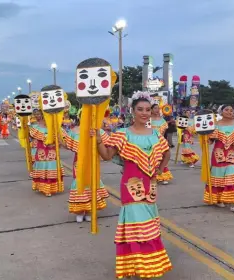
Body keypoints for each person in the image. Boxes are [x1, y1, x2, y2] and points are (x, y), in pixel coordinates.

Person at [92, 92, 172, 279]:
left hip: (150, 185)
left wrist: (159, 170)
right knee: (137, 225)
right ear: (132, 111)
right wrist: (97, 139)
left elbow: (166, 153)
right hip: (131, 185)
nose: (144, 113)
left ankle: (147, 265)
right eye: (140, 110)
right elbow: (106, 155)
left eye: (147, 110)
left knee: (149, 224)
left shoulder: (156, 134)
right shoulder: (122, 134)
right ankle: (141, 266)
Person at [62, 124, 110, 223]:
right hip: (79, 162)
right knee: (80, 183)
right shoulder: (75, 130)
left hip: (93, 162)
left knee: (92, 183)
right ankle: (79, 211)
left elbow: (107, 145)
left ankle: (89, 210)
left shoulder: (98, 130)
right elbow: (68, 145)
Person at [205, 105, 234, 212]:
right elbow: (210, 141)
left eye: (231, 110)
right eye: (226, 110)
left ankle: (233, 203)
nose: (229, 111)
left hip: (231, 154)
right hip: (217, 154)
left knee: (233, 176)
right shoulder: (216, 125)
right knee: (218, 177)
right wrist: (205, 137)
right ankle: (219, 200)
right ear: (221, 112)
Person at [29, 109, 64, 197]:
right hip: (42, 151)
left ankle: (51, 188)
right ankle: (44, 188)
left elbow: (61, 137)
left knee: (51, 168)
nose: (40, 116)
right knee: (43, 168)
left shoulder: (54, 127)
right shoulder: (35, 127)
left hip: (52, 151)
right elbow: (34, 138)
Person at [151, 104, 173, 185]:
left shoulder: (162, 120)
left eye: (158, 108)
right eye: (155, 108)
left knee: (163, 158)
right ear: (151, 109)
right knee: (153, 159)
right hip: (151, 142)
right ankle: (153, 177)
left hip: (160, 142)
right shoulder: (148, 120)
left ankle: (163, 176)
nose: (157, 110)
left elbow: (163, 133)